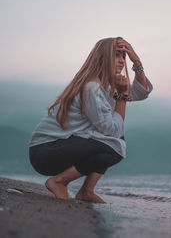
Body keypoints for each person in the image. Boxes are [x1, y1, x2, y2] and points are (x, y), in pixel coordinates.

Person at [29, 37, 153, 203]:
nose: (122, 61)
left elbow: (141, 92)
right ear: (102, 58)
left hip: (56, 148)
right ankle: (59, 181)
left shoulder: (107, 85)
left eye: (123, 56)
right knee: (114, 144)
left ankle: (87, 191)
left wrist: (136, 61)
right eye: (116, 55)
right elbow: (112, 130)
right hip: (45, 151)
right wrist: (122, 95)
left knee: (116, 139)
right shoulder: (92, 87)